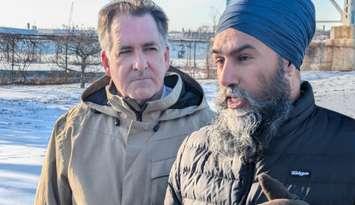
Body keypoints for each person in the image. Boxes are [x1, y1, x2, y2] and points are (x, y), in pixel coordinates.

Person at [165, 0, 355, 204]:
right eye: (220, 60)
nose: (224, 78)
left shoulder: (349, 149)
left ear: (288, 63)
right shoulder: (194, 150)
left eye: (244, 58)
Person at [34, 0, 213, 204]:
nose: (140, 64)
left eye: (150, 48)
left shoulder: (209, 130)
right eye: (125, 51)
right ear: (106, 62)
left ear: (165, 56)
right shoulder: (71, 131)